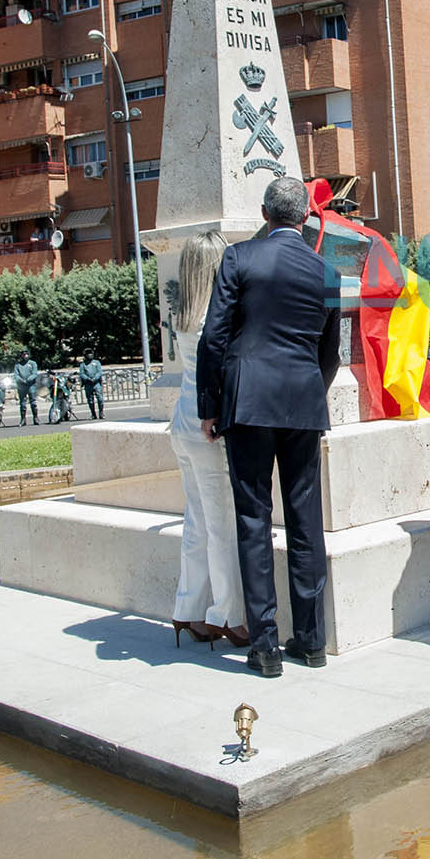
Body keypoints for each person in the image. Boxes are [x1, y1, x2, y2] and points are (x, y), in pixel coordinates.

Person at [197, 177, 342, 679]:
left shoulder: (239, 258)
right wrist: (309, 392)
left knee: (254, 521)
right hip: (302, 402)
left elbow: (214, 337)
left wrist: (209, 404)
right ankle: (311, 640)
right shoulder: (326, 270)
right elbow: (330, 353)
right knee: (306, 523)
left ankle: (264, 645)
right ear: (305, 216)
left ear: (265, 213)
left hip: (249, 402)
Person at [169, 231, 249, 649]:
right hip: (206, 430)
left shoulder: (182, 314)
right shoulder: (213, 317)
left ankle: (188, 610)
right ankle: (228, 615)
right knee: (220, 527)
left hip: (180, 426)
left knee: (197, 523)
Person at [11, 350, 40, 425]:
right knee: (22, 403)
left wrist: (28, 379)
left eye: (27, 354)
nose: (25, 356)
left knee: (33, 402)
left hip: (31, 385)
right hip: (21, 386)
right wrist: (21, 380)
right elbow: (16, 375)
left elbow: (34, 374)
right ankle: (23, 419)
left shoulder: (33, 363)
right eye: (24, 355)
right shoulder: (18, 365)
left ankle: (35, 418)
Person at [77, 350, 105, 420]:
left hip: (96, 383)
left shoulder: (97, 362)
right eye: (88, 354)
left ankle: (101, 412)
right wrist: (87, 378)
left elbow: (99, 372)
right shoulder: (83, 364)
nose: (90, 355)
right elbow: (82, 374)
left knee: (100, 399)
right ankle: (93, 413)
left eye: (91, 354)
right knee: (90, 400)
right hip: (88, 384)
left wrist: (95, 378)